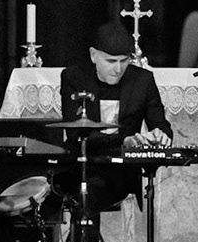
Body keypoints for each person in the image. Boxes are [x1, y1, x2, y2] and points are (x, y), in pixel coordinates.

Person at [55, 22, 173, 214]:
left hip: (120, 169)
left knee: (88, 194)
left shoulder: (142, 80)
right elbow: (75, 132)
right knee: (48, 188)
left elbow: (162, 126)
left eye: (124, 61)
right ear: (94, 55)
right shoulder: (74, 77)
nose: (118, 69)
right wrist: (124, 140)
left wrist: (161, 136)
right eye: (111, 61)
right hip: (81, 162)